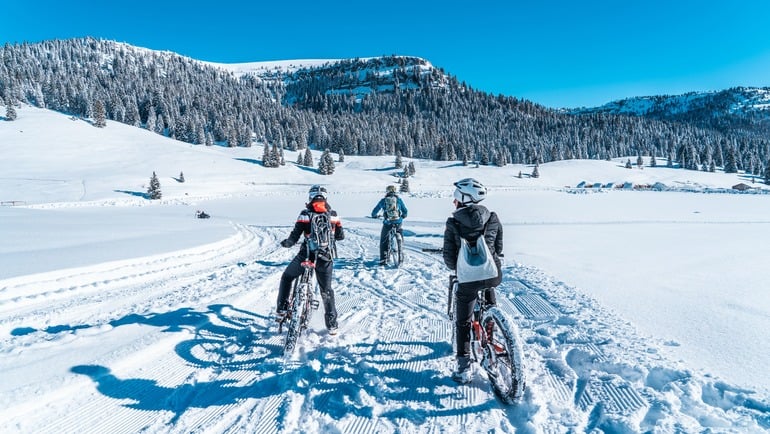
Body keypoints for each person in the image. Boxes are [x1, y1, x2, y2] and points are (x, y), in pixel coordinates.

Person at [442, 178, 503, 383]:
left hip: (468, 279)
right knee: (489, 299)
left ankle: (463, 367)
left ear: (462, 198)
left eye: (455, 197)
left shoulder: (453, 222)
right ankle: (491, 332)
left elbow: (450, 261)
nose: (453, 201)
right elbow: (499, 248)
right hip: (492, 274)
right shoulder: (492, 218)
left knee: (463, 321)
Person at [277, 185, 345, 334]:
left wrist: (287, 243)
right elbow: (340, 236)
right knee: (326, 290)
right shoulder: (333, 214)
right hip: (325, 257)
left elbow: (294, 236)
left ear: (310, 197)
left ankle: (281, 309)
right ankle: (332, 325)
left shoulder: (305, 214)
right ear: (325, 198)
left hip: (306, 255)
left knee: (287, 277)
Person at [370, 185, 408, 265]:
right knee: (400, 232)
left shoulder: (383, 201)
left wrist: (374, 215)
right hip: (398, 221)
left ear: (387, 191)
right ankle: (401, 249)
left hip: (388, 222)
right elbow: (405, 211)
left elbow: (374, 211)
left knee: (384, 240)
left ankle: (383, 260)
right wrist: (403, 216)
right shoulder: (398, 200)